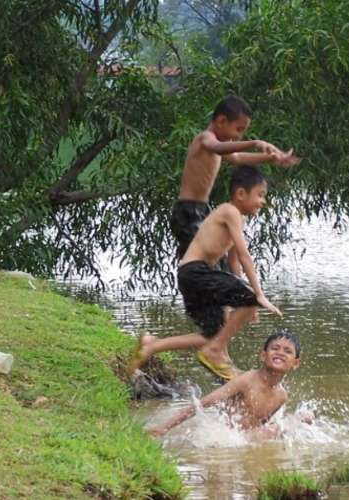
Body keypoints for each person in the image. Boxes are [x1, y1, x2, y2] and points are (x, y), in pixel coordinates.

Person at [129, 166, 282, 380]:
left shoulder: (239, 218)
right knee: (229, 325)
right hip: (195, 272)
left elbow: (234, 262)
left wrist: (246, 303)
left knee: (213, 335)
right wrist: (258, 296)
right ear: (241, 193)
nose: (263, 201)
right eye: (260, 195)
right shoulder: (229, 211)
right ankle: (215, 352)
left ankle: (152, 346)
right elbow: (244, 255)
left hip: (192, 275)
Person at [170, 94, 300, 262]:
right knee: (199, 261)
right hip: (187, 211)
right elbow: (218, 147)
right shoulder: (205, 138)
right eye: (238, 129)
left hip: (201, 210)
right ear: (221, 121)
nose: (239, 136)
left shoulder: (218, 145)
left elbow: (237, 158)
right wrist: (254, 143)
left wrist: (270, 158)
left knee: (215, 259)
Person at [148, 331, 302, 440]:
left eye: (287, 351)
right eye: (275, 348)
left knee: (297, 421)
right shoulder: (246, 380)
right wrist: (164, 428)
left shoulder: (281, 396)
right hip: (228, 437)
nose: (280, 353)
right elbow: (204, 403)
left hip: (245, 439)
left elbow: (261, 423)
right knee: (279, 427)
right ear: (263, 355)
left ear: (295, 364)